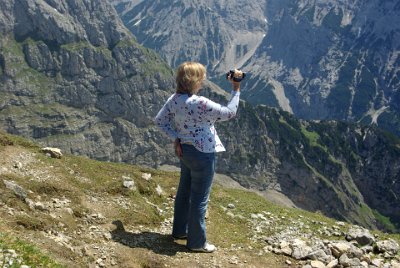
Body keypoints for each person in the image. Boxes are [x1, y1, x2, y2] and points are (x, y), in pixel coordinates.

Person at [154, 62, 242, 253]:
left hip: (184, 152)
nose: (203, 81)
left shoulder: (174, 100)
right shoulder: (201, 103)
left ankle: (179, 231)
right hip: (203, 154)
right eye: (201, 78)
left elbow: (159, 121)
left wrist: (176, 137)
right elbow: (230, 113)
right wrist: (236, 89)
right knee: (200, 199)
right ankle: (196, 243)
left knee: (184, 192)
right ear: (194, 81)